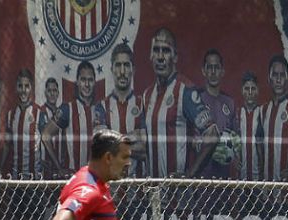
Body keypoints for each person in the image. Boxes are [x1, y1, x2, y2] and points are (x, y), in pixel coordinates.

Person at [141, 28, 219, 178]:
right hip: (154, 192)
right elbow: (144, 145)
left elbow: (213, 135)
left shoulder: (185, 91)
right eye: (156, 50)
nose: (160, 57)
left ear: (175, 57)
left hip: (179, 196)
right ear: (151, 56)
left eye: (166, 51)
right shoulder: (147, 95)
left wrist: (189, 176)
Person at [42, 61, 107, 177]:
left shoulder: (100, 109)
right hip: (73, 177)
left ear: (94, 82)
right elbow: (46, 135)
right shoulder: (68, 108)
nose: (87, 84)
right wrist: (59, 168)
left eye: (90, 80)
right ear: (77, 82)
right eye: (83, 80)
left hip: (94, 177)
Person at [97, 43, 148, 177]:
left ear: (133, 70)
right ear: (112, 69)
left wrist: (115, 144)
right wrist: (132, 138)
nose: (122, 71)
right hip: (111, 189)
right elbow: (102, 149)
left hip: (137, 191)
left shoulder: (142, 104)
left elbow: (145, 150)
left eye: (126, 65)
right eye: (118, 65)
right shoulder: (102, 106)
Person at [190, 48, 239, 179]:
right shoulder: (195, 101)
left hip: (224, 180)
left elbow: (236, 138)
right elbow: (189, 139)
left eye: (216, 67)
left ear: (222, 71)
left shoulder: (230, 103)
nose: (213, 72)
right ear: (203, 71)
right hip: (201, 178)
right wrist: (206, 146)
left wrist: (233, 146)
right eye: (209, 67)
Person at [0, 68, 43, 178]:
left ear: (31, 88)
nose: (23, 90)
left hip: (34, 178)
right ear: (16, 88)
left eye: (27, 86)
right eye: (20, 86)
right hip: (15, 176)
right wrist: (0, 167)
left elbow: (46, 142)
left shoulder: (39, 113)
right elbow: (7, 144)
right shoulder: (11, 114)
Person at [231, 71, 264, 180]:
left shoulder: (264, 113)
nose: (250, 92)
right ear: (242, 90)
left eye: (253, 89)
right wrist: (233, 158)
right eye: (246, 88)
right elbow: (230, 140)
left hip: (259, 176)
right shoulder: (236, 114)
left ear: (258, 91)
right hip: (241, 175)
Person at [39, 77, 63, 179]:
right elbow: (44, 137)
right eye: (49, 91)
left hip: (60, 165)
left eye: (54, 91)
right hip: (47, 165)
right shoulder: (41, 111)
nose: (52, 94)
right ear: (45, 93)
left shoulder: (62, 112)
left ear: (58, 93)